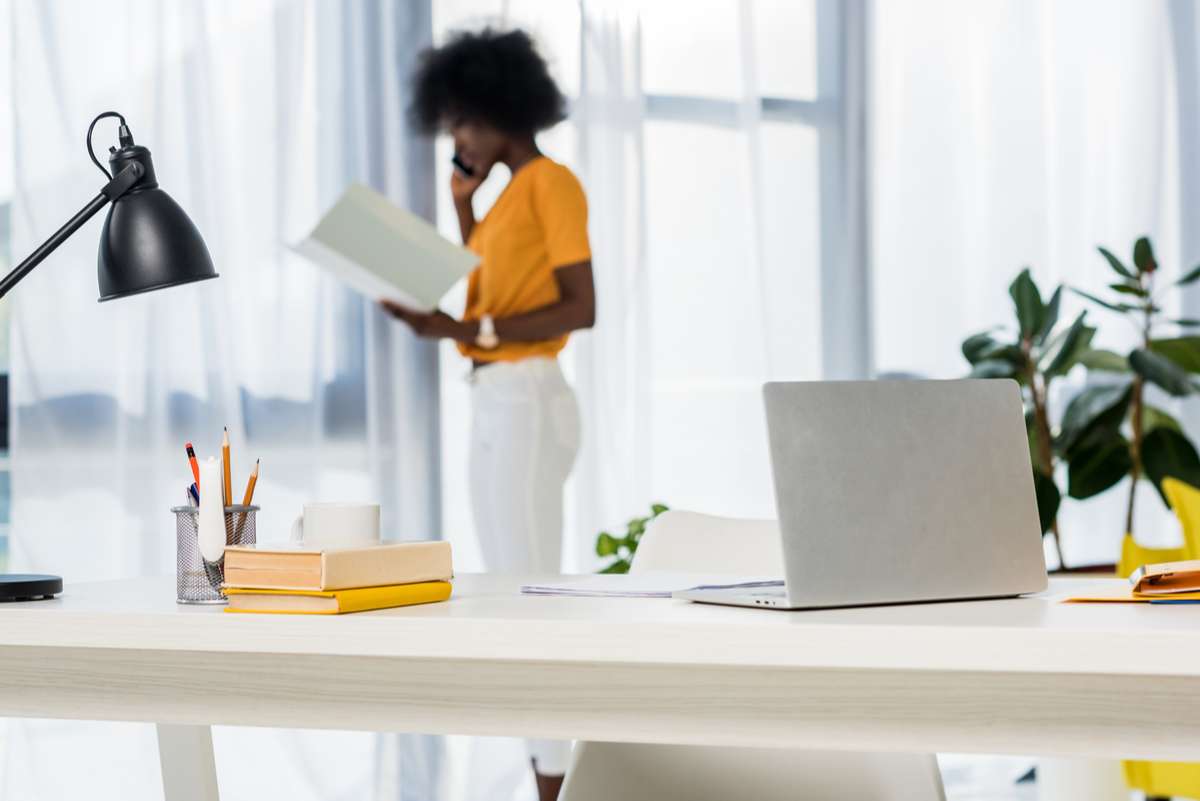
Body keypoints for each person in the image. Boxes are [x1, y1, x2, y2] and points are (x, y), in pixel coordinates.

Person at [384, 27, 595, 801]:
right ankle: (549, 772)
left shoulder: (552, 184)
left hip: (527, 394)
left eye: (464, 122)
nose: (457, 138)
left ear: (504, 109)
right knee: (515, 589)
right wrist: (463, 211)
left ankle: (559, 782)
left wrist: (463, 330)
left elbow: (581, 305)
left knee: (527, 593)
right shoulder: (505, 197)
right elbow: (493, 292)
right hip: (499, 393)